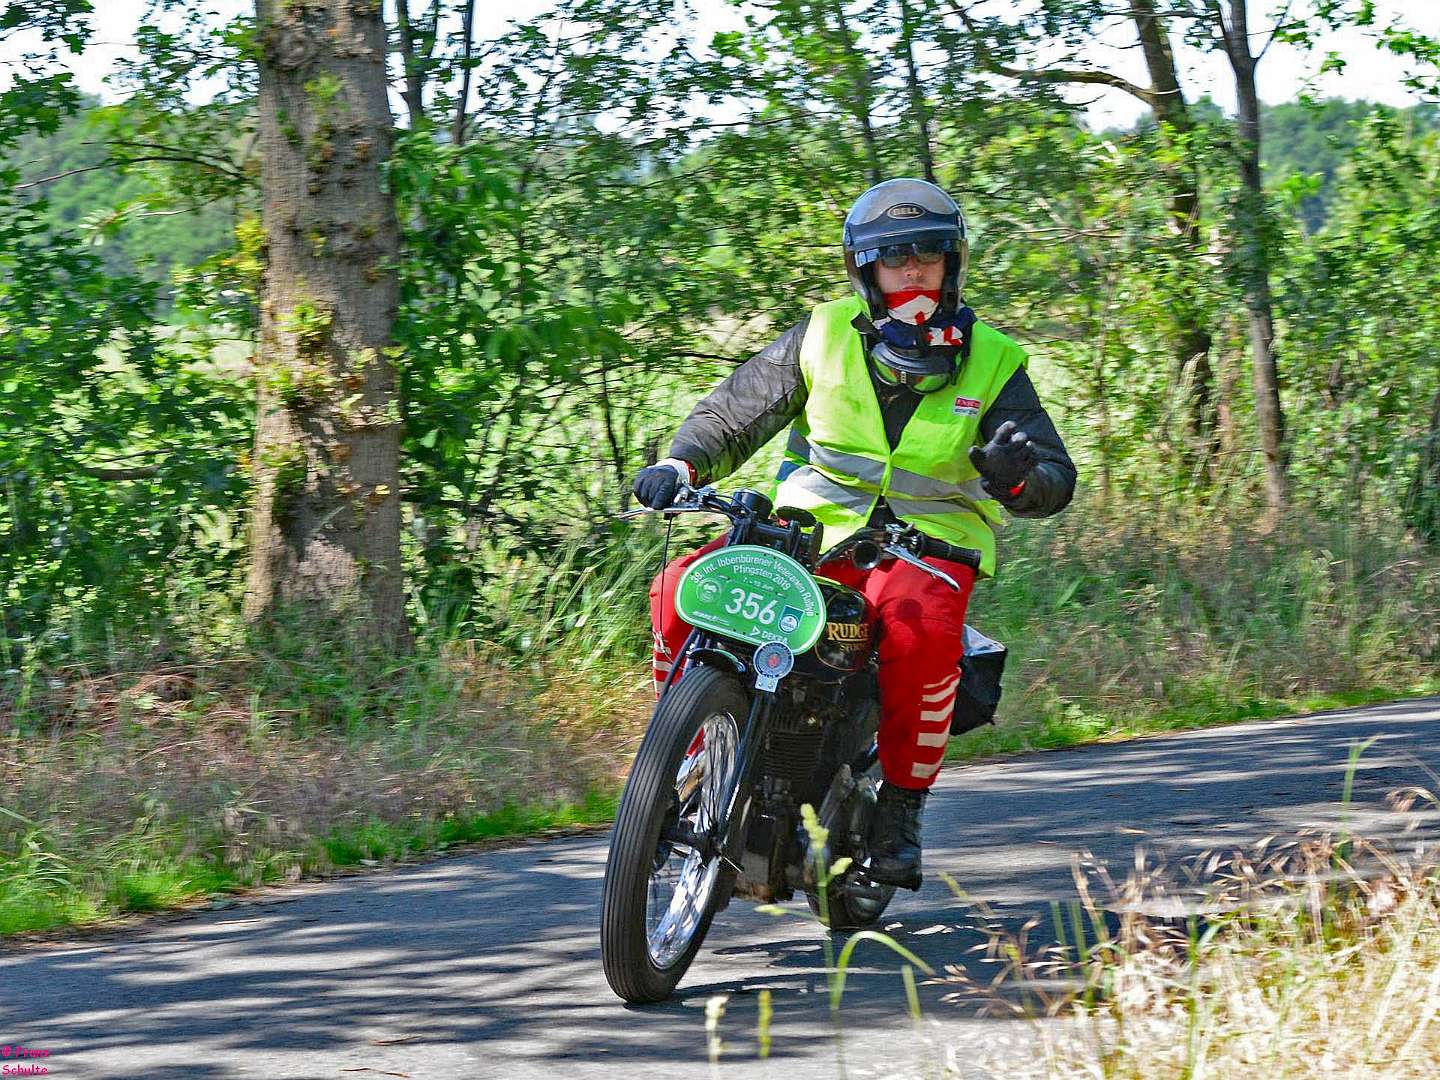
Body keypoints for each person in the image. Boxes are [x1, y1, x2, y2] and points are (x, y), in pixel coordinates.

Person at [631, 178, 1076, 889]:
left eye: (927, 256)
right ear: (866, 270)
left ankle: (902, 808)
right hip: (806, 535)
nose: (912, 272)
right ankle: (677, 767)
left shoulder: (994, 361)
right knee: (677, 590)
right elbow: (734, 412)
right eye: (894, 258)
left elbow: (1054, 475)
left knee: (921, 636)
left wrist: (1016, 477)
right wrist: (679, 464)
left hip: (927, 548)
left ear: (952, 264)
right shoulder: (822, 334)